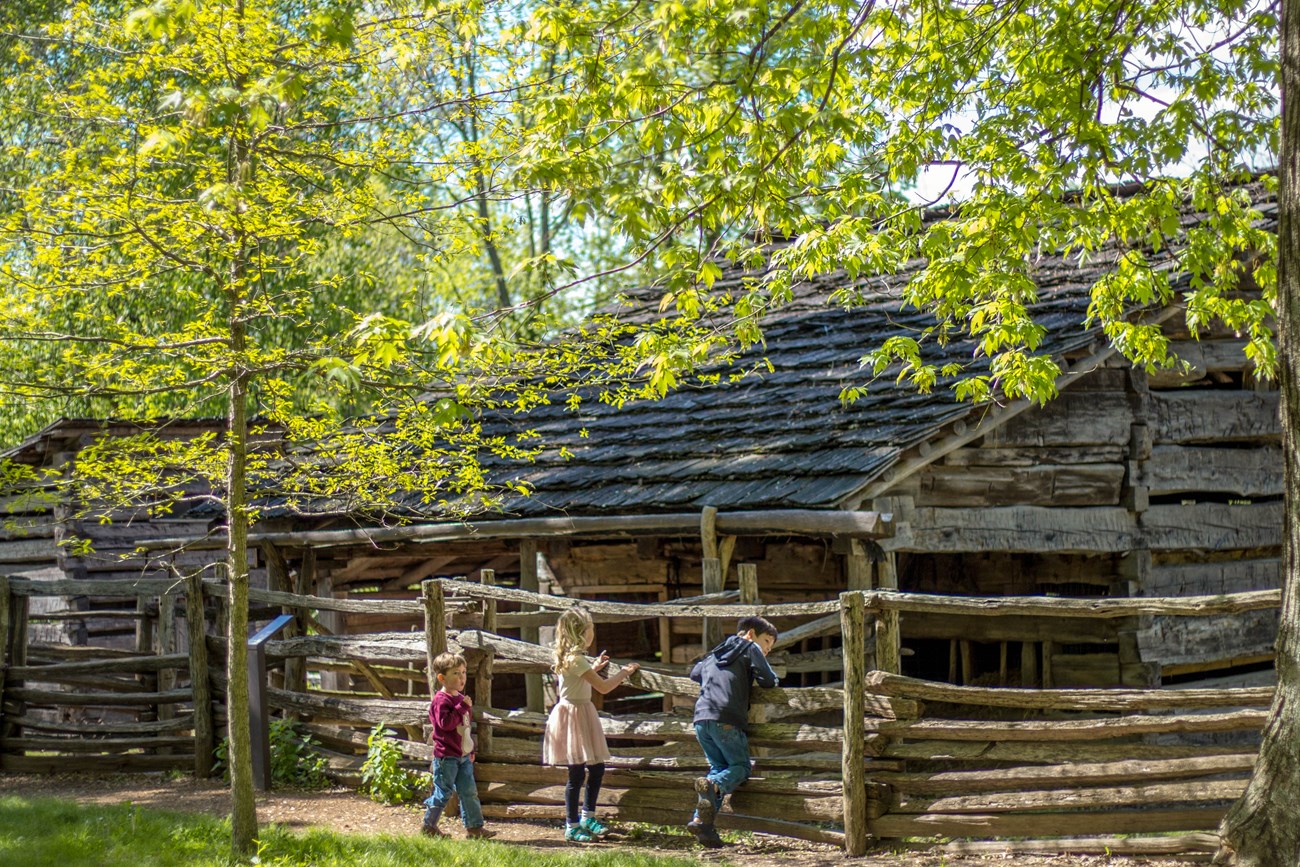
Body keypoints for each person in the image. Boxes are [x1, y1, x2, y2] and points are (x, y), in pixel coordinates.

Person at [542, 606, 640, 843]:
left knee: (595, 768)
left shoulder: (573, 658)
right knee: (576, 773)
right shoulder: (575, 659)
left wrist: (594, 667)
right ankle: (572, 825)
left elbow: (579, 678)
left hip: (580, 711)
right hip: (574, 715)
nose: (593, 632)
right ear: (581, 632)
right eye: (591, 628)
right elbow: (604, 688)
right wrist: (625, 672)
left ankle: (587, 817)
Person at [687, 615, 780, 848]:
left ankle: (702, 823)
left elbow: (694, 674)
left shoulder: (714, 653)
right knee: (740, 768)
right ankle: (714, 785)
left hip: (701, 720)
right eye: (767, 641)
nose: (767, 649)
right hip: (726, 719)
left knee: (719, 768)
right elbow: (769, 680)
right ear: (750, 634)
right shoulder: (749, 647)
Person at [422, 651, 496, 840]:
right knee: (443, 792)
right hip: (447, 757)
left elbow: (465, 728)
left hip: (463, 756)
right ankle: (428, 825)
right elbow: (445, 724)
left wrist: (470, 750)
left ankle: (474, 828)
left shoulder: (458, 698)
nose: (461, 677)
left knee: (469, 791)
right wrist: (462, 706)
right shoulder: (441, 700)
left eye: (463, 672)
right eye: (455, 673)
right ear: (442, 677)